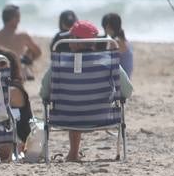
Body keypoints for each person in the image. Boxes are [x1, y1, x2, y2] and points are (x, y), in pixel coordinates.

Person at [39, 20, 133, 162]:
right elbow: (128, 91)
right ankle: (74, 153)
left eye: (71, 38)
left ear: (77, 42)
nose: (69, 42)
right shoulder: (108, 62)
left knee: (75, 103)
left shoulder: (59, 65)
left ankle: (73, 153)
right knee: (80, 101)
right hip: (101, 117)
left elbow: (44, 94)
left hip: (66, 118)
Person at [0, 3, 42, 77]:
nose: (19, 20)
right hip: (15, 76)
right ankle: (25, 69)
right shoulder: (22, 35)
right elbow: (38, 52)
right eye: (18, 17)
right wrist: (27, 60)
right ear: (13, 19)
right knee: (29, 52)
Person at [102, 12, 133, 77]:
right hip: (126, 77)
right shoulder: (125, 41)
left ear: (107, 27)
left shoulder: (115, 42)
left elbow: (106, 62)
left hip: (120, 79)